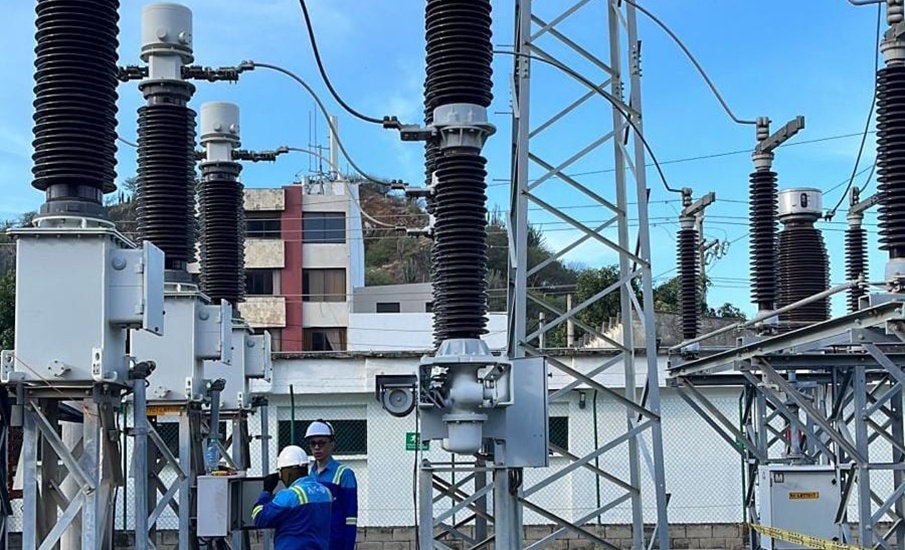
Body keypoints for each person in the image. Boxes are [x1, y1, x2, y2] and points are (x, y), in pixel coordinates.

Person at [251, 445, 332, 550]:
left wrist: (267, 491)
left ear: (288, 473)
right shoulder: (325, 491)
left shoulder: (290, 495)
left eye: (281, 473)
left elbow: (260, 518)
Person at [305, 419, 358, 550]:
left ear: (332, 444)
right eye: (313, 443)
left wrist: (348, 546)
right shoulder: (309, 475)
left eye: (321, 443)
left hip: (335, 543)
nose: (317, 447)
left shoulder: (344, 474)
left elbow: (351, 517)